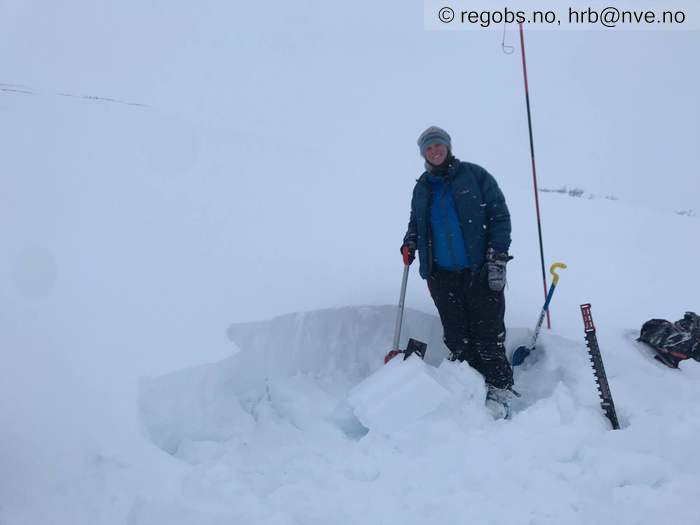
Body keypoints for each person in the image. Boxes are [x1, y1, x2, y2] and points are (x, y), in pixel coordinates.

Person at [401, 126, 517, 418]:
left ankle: (500, 389)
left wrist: (497, 256)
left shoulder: (475, 176)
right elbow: (416, 222)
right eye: (429, 148)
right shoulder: (422, 187)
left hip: (479, 270)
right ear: (423, 153)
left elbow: (499, 215)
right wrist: (409, 241)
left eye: (439, 145)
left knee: (488, 335)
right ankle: (471, 387)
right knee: (457, 337)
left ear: (448, 147)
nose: (435, 151)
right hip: (441, 275)